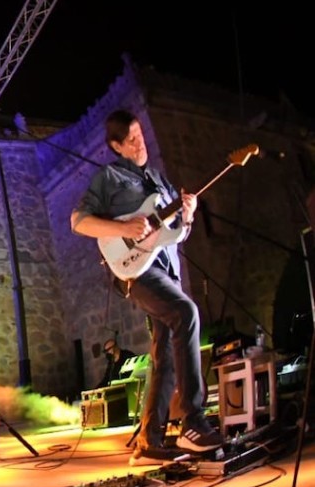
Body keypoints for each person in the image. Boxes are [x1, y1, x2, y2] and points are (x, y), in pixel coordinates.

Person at [71, 109, 223, 455]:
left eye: (141, 135)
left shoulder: (158, 180)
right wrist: (123, 228)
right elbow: (78, 221)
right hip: (135, 271)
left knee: (166, 353)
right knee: (186, 312)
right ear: (117, 146)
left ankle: (149, 439)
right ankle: (193, 422)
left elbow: (176, 236)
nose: (141, 144)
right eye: (133, 140)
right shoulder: (110, 177)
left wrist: (188, 214)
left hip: (165, 269)